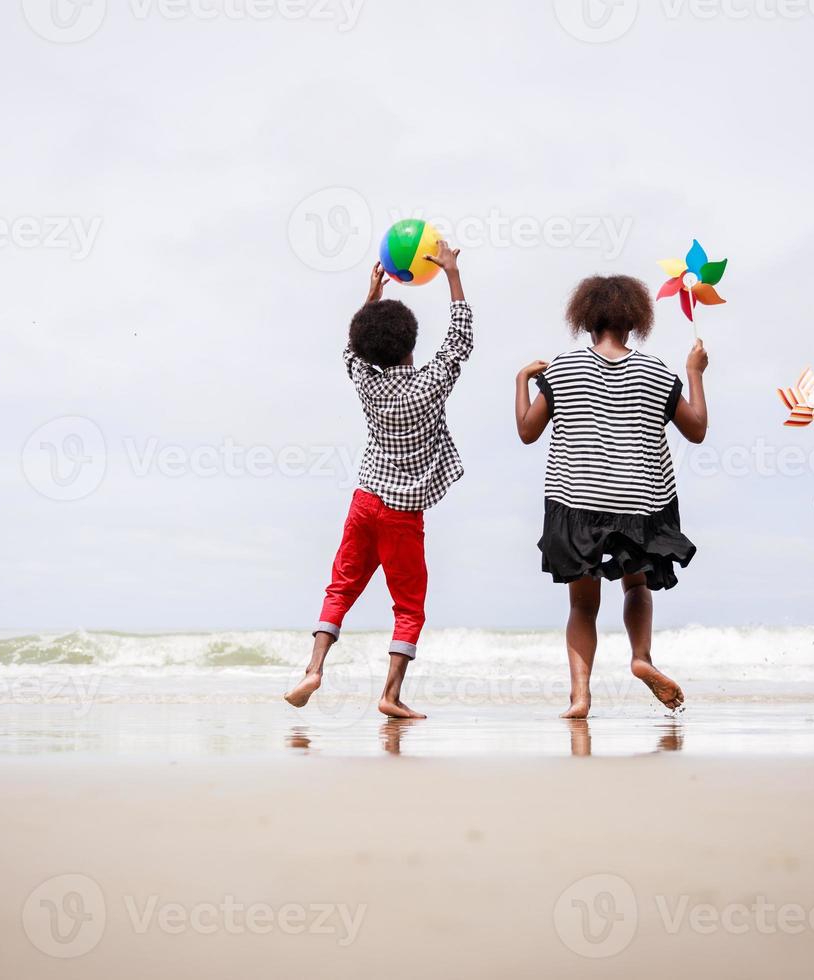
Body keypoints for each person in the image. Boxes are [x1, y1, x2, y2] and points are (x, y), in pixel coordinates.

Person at [285, 244, 471, 719]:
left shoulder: (365, 380)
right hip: (402, 513)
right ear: (410, 345)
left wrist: (369, 296)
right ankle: (389, 695)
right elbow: (460, 340)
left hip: (365, 499)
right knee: (408, 606)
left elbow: (351, 351)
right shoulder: (430, 384)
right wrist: (451, 272)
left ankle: (314, 667)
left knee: (341, 586)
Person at [515, 275, 708, 719]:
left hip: (577, 502)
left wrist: (522, 379)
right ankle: (641, 657)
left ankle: (580, 697)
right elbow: (696, 429)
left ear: (585, 319)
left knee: (583, 604)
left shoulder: (561, 369)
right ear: (636, 321)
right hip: (640, 503)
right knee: (636, 585)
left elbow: (527, 431)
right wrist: (695, 374)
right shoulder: (658, 371)